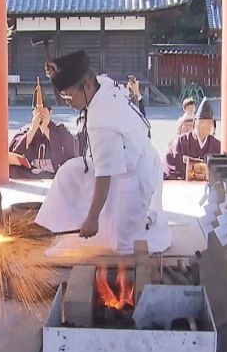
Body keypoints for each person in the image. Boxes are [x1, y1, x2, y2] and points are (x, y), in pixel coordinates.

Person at [36, 50, 170, 255]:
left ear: (87, 85)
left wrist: (92, 217)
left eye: (69, 94)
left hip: (135, 172)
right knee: (69, 173)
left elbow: (104, 175)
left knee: (126, 246)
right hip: (122, 159)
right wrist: (58, 73)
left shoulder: (101, 120)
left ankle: (117, 233)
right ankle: (60, 231)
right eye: (63, 95)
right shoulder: (102, 84)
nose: (67, 101)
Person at [8, 84, 76, 179]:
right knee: (13, 171)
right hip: (30, 171)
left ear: (50, 113)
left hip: (55, 172)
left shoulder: (59, 128)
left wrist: (46, 130)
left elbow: (69, 151)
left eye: (44, 112)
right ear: (33, 114)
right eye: (37, 113)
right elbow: (14, 153)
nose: (41, 115)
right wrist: (32, 131)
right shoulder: (26, 130)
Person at [164, 98, 221, 180]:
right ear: (196, 123)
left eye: (210, 123)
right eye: (203, 123)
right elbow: (171, 168)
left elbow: (220, 172)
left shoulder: (216, 145)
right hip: (184, 188)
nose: (207, 126)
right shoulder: (181, 142)